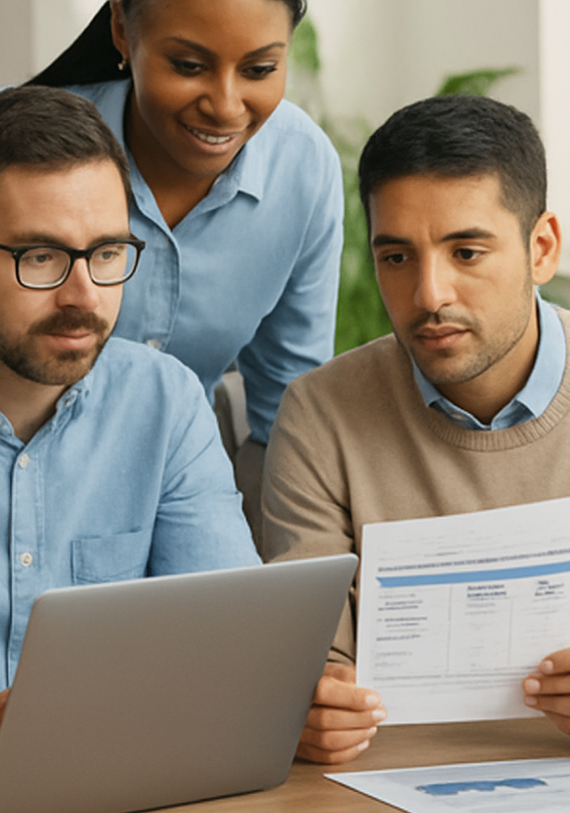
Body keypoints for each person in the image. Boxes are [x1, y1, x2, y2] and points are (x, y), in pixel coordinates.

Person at [263, 94, 570, 763]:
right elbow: (310, 666)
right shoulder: (320, 413)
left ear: (542, 247)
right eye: (397, 257)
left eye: (466, 252)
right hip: (389, 792)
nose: (429, 294)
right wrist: (308, 706)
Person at [0, 86, 259, 704]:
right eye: (42, 257)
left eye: (108, 253)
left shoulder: (164, 401)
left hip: (119, 775)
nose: (84, 296)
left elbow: (233, 647)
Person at [26, 0, 343, 538]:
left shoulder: (302, 166)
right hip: (21, 484)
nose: (225, 106)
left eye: (260, 70)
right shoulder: (21, 148)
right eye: (189, 66)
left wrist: (301, 565)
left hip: (184, 496)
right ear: (122, 31)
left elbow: (290, 415)